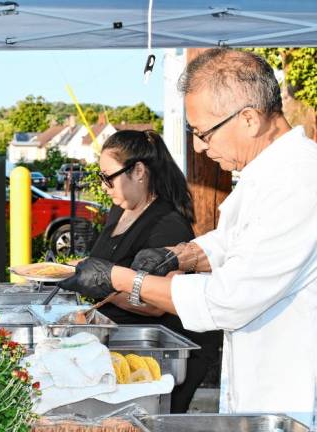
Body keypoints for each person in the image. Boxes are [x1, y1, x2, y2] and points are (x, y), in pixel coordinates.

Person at [59, 48, 317, 424]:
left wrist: (121, 277)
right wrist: (180, 254)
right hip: (259, 381)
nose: (198, 146)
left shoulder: (299, 180)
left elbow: (229, 298)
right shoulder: (265, 174)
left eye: (203, 133)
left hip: (290, 388)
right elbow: (231, 242)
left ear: (248, 119)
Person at [83, 129, 222, 413]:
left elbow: (157, 303)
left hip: (165, 354)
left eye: (109, 177)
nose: (105, 186)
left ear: (139, 171)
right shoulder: (119, 210)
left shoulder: (167, 223)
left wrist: (98, 285)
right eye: (101, 177)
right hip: (126, 340)